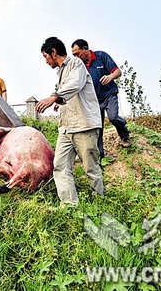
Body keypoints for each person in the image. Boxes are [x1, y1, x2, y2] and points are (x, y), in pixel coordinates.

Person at [35, 37, 103, 206]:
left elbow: (75, 84)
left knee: (91, 168)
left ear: (53, 52)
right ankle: (69, 205)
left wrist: (54, 97)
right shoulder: (60, 73)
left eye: (46, 57)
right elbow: (68, 94)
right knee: (60, 167)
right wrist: (59, 103)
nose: (46, 61)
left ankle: (100, 202)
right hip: (66, 128)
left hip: (83, 126)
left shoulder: (75, 64)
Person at [71, 39, 130, 157]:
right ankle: (100, 156)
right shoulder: (79, 67)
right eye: (74, 55)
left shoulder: (101, 56)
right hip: (94, 100)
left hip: (109, 94)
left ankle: (124, 135)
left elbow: (118, 72)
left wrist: (110, 76)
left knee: (113, 117)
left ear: (85, 49)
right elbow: (74, 85)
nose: (76, 57)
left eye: (77, 54)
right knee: (98, 128)